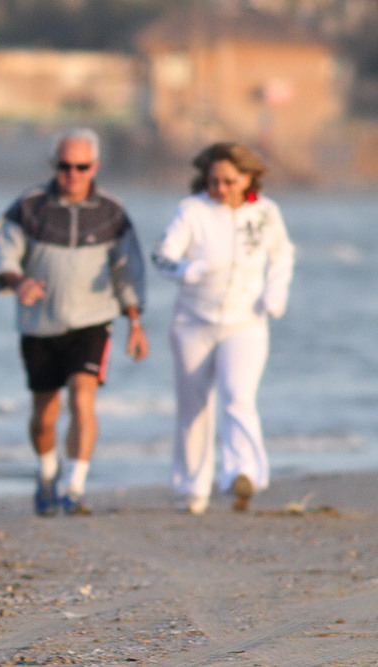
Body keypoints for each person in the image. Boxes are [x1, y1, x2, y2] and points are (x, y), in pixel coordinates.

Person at [0, 127, 149, 517]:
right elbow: (0, 256)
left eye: (81, 167)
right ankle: (46, 475)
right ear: (54, 166)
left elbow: (128, 269)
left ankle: (74, 487)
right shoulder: (29, 207)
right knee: (44, 414)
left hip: (93, 319)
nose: (72, 175)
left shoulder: (112, 212)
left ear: (95, 166)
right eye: (64, 167)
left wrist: (135, 322)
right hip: (39, 324)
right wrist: (18, 281)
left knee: (82, 395)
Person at [152, 142, 294, 515]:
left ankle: (241, 473)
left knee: (238, 397)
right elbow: (162, 257)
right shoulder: (192, 211)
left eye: (229, 181)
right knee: (193, 406)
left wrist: (275, 292)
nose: (221, 188)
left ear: (248, 178)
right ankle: (193, 487)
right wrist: (186, 270)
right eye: (213, 181)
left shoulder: (265, 213)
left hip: (245, 322)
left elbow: (282, 253)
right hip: (193, 322)